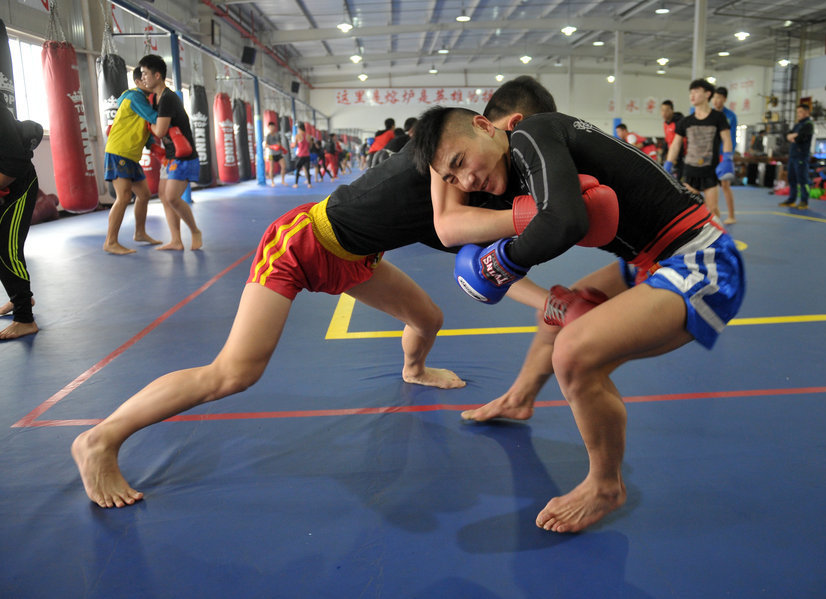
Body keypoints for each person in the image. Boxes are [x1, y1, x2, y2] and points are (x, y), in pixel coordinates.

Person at [70, 77, 558, 509]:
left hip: (356, 259)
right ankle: (100, 440)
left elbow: (489, 269)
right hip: (302, 243)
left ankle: (414, 369)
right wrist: (536, 218)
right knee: (234, 373)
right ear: (495, 125)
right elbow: (461, 230)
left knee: (427, 318)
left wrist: (555, 302)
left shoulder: (470, 186)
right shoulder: (446, 158)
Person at [411, 105, 745, 534]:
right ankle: (520, 398)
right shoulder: (518, 160)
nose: (468, 181)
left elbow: (566, 220)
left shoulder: (529, 134)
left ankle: (606, 486)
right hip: (651, 260)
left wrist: (504, 262)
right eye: (453, 178)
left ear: (483, 126)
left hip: (703, 263)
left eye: (460, 163)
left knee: (573, 353)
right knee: (555, 312)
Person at [138, 54, 203, 251]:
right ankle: (176, 240)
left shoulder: (167, 98)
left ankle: (195, 231)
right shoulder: (155, 98)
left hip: (184, 158)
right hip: (170, 157)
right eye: (141, 75)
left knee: (173, 197)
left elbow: (160, 131)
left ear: (157, 75)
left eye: (146, 74)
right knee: (164, 197)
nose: (144, 78)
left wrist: (146, 120)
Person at [0, 89, 41, 341]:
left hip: (17, 185)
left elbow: (13, 160)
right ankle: (19, 298)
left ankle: (24, 319)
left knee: (4, 246)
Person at [102, 66, 163, 254]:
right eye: (145, 78)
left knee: (144, 194)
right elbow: (153, 118)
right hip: (119, 152)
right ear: (137, 82)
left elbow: (145, 127)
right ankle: (110, 242)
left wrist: (154, 148)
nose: (149, 80)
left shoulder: (145, 101)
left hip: (131, 155)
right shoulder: (134, 97)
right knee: (124, 196)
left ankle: (140, 233)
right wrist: (173, 117)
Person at [664, 79, 733, 220]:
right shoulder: (686, 121)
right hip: (689, 171)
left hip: (710, 171)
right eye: (691, 92)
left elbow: (726, 139)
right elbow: (675, 145)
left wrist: (727, 158)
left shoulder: (718, 117)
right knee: (689, 211)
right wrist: (668, 164)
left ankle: (718, 239)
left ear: (707, 94)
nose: (692, 95)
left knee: (713, 209)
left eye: (696, 91)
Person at [778, 104, 814, 210]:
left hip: (801, 156)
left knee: (802, 179)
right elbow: (787, 135)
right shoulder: (797, 125)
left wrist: (794, 136)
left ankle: (804, 201)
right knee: (791, 178)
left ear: (807, 112)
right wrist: (793, 136)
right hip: (793, 156)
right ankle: (791, 199)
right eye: (797, 112)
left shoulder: (808, 125)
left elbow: (800, 138)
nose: (798, 114)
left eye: (800, 112)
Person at [712, 87, 737, 224]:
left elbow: (731, 137)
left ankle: (731, 215)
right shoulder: (708, 114)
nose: (716, 101)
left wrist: (728, 157)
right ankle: (712, 215)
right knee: (709, 185)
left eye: (720, 97)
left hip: (723, 155)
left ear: (725, 99)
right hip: (710, 154)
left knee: (725, 185)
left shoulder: (731, 116)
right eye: (715, 97)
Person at [661, 100, 684, 177]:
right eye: (662, 110)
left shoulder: (679, 122)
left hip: (680, 157)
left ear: (672, 110)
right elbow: (667, 140)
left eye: (667, 110)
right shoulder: (665, 124)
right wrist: (664, 154)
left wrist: (676, 158)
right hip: (670, 156)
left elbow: (681, 142)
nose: (664, 113)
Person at [263, 121, 287, 187]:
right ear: (268, 127)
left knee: (283, 167)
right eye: (270, 127)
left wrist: (281, 148)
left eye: (272, 126)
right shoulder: (267, 136)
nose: (271, 128)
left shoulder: (277, 135)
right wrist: (272, 146)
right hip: (271, 154)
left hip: (278, 153)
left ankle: (283, 181)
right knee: (271, 168)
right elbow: (266, 145)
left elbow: (279, 143)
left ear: (274, 127)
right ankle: (272, 182)